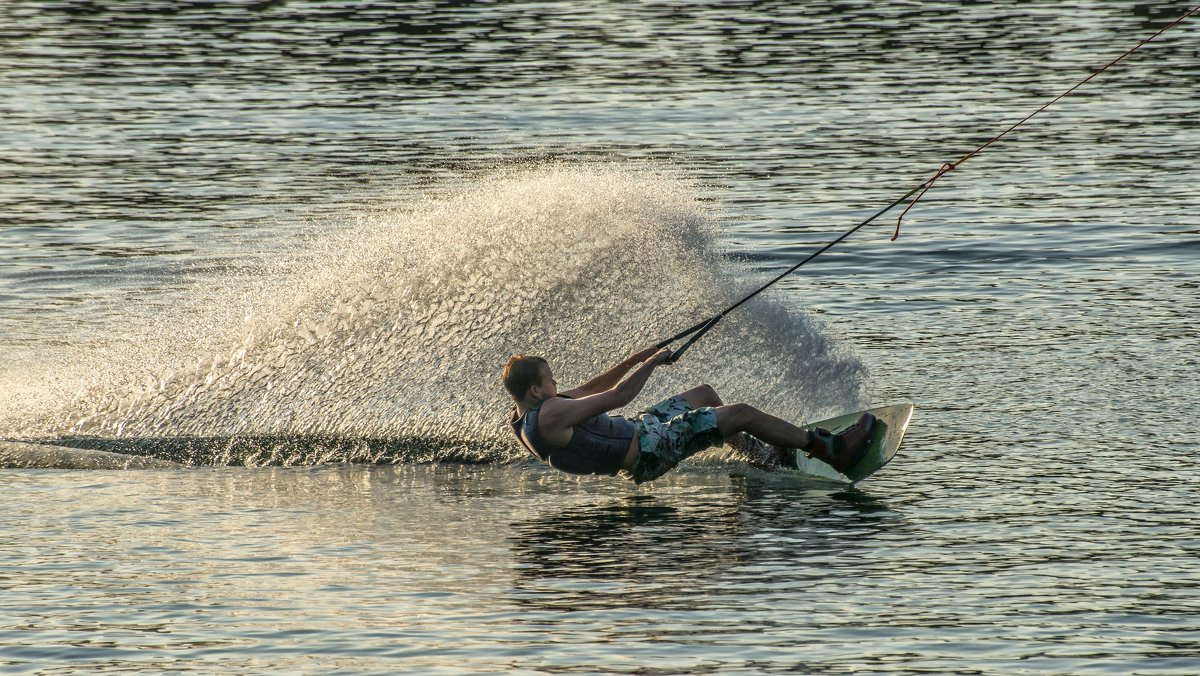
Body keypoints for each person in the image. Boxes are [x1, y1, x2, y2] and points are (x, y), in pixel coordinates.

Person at [503, 345, 875, 484]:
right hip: (649, 450)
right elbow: (620, 395)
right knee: (740, 413)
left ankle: (760, 458)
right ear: (536, 389)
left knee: (705, 395)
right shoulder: (549, 415)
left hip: (640, 431)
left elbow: (591, 388)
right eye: (551, 379)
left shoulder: (527, 414)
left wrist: (639, 357)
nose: (557, 383)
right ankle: (829, 448)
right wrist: (651, 365)